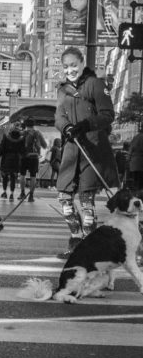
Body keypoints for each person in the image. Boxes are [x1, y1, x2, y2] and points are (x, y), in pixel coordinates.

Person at [55, 46, 120, 259]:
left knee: (86, 201)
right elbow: (59, 116)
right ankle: (76, 240)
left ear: (82, 63)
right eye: (66, 66)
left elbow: (108, 114)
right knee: (64, 199)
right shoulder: (62, 89)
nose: (70, 70)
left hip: (92, 149)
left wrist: (85, 124)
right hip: (71, 150)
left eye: (74, 65)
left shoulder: (95, 84)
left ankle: (89, 247)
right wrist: (65, 127)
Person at [0, 122, 25, 201]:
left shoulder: (6, 137)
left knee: (5, 176)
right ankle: (12, 194)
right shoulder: (21, 139)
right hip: (16, 160)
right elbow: (23, 151)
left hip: (6, 159)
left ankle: (4, 192)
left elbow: (0, 150)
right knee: (13, 177)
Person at [20, 117, 47, 202]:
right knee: (33, 176)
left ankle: (22, 193)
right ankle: (31, 196)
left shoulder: (22, 133)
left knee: (22, 175)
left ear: (26, 124)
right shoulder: (37, 133)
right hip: (34, 157)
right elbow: (45, 145)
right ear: (33, 124)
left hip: (24, 157)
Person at [130, 128, 143, 195]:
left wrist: (128, 160)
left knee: (135, 182)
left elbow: (130, 150)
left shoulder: (136, 137)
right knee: (140, 183)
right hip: (141, 164)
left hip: (134, 164)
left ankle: (136, 195)